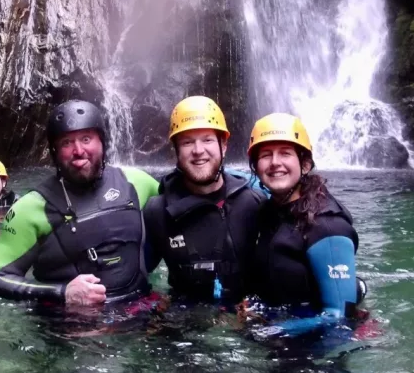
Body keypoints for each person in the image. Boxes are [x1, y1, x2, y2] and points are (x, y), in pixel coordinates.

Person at [0, 100, 160, 305]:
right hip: (69, 327)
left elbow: (179, 203)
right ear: (54, 152)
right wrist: (62, 292)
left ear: (102, 142)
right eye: (66, 143)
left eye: (86, 139)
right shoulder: (30, 208)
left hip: (139, 312)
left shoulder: (137, 182)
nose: (78, 151)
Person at [247, 113, 366, 336]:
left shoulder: (328, 227)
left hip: (318, 348)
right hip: (277, 325)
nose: (275, 163)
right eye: (266, 155)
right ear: (255, 166)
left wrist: (273, 330)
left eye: (285, 153)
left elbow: (339, 316)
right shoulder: (270, 211)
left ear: (304, 164)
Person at [143, 96, 265, 304]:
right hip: (182, 325)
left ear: (223, 145)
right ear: (176, 150)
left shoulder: (253, 203)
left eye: (207, 139)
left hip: (245, 324)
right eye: (188, 142)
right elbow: (133, 277)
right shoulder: (157, 211)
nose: (198, 151)